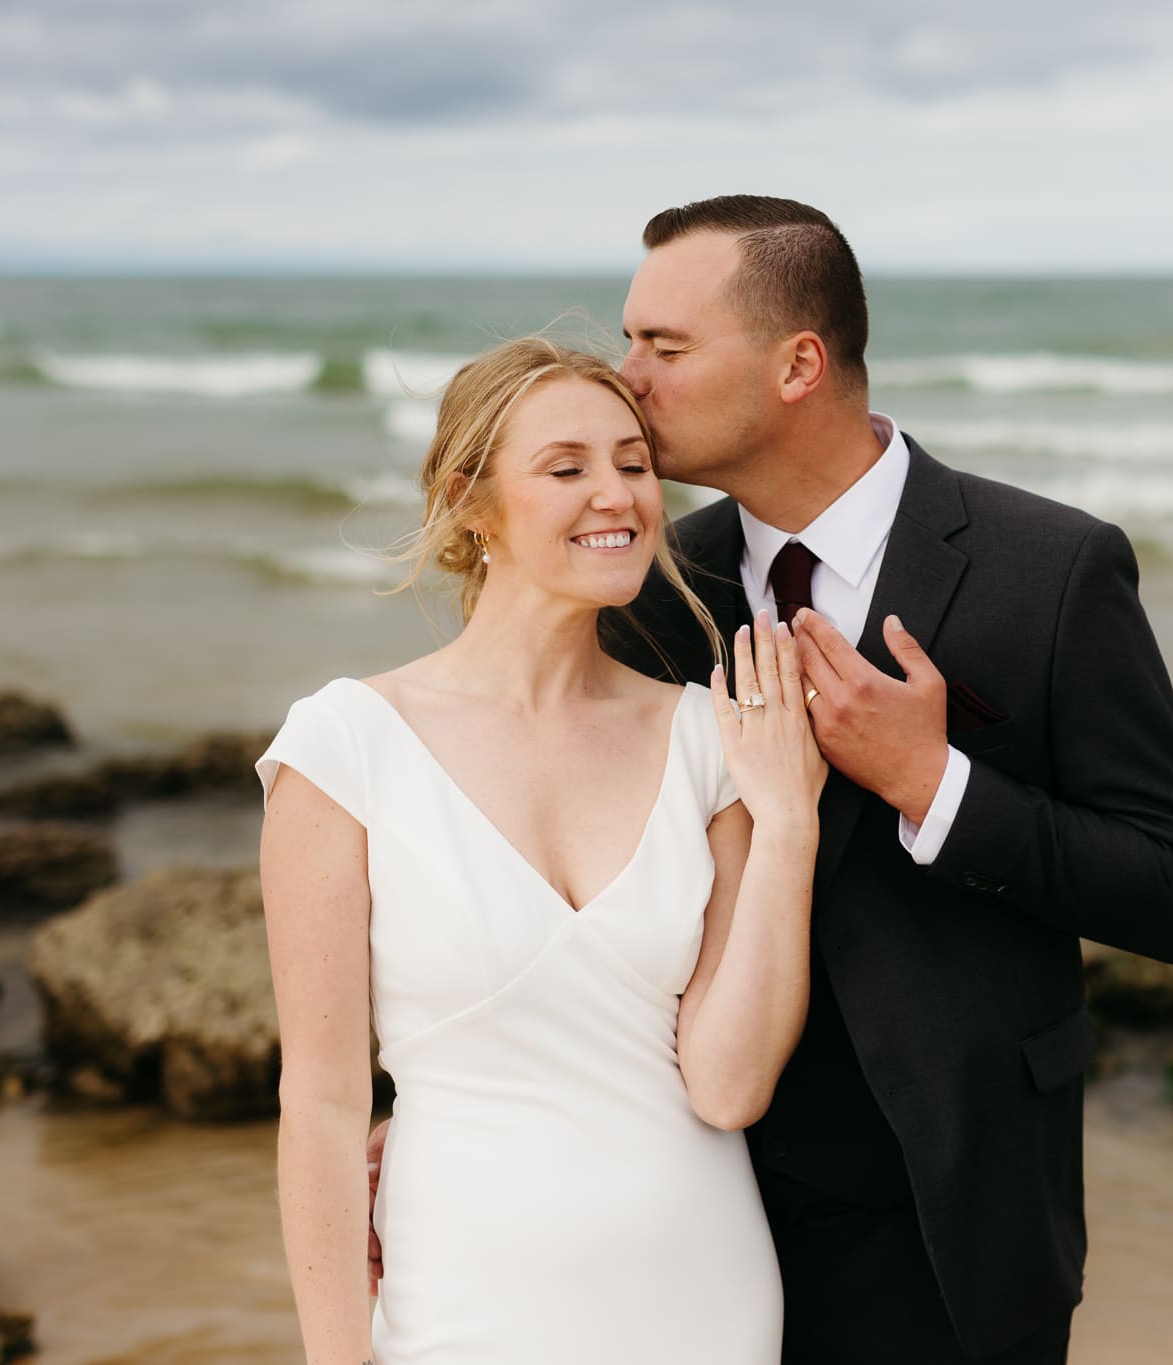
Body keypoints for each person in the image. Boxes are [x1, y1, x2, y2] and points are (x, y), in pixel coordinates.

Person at [593, 196, 1173, 1363]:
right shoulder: (652, 595)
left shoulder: (1046, 569)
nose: (625, 376)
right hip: (693, 1195)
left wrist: (937, 783)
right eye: (630, 342)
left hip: (952, 1205)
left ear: (797, 363)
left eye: (663, 348)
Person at [255, 338, 828, 1364]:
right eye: (565, 468)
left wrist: (787, 826)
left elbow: (728, 1086)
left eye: (633, 463)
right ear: (471, 502)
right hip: (460, 1306)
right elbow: (325, 1105)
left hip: (702, 1299)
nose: (614, 495)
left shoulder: (712, 739)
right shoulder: (345, 747)